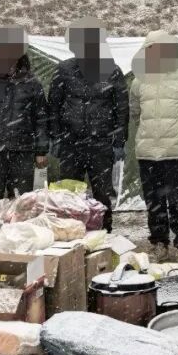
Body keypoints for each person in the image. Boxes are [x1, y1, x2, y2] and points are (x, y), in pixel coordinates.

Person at [130, 31, 178, 260]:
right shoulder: (139, 81)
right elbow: (135, 113)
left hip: (176, 152)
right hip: (148, 153)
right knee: (154, 202)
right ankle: (159, 244)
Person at [48, 18, 128, 232]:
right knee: (69, 192)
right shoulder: (64, 69)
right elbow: (53, 105)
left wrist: (119, 141)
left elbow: (121, 108)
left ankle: (104, 231)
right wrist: (55, 136)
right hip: (70, 142)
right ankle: (70, 230)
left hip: (101, 143)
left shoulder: (112, 71)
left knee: (102, 192)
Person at [0, 26, 49, 212]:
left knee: (22, 204)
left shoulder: (32, 83)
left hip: (23, 151)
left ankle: (17, 231)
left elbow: (41, 119)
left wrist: (41, 150)